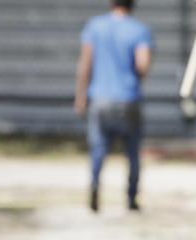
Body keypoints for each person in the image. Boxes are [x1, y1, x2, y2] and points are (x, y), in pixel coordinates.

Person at [74, 0, 154, 212]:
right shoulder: (139, 30)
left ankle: (94, 185)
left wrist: (81, 96)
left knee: (98, 148)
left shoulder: (95, 26)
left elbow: (86, 63)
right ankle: (131, 198)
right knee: (132, 152)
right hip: (128, 99)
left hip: (100, 99)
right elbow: (143, 64)